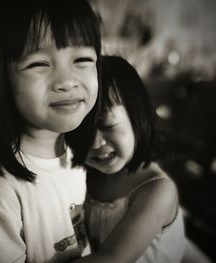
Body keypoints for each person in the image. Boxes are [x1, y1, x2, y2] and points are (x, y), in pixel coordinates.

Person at [0, 0, 102, 262]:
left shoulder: (84, 156)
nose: (67, 81)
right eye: (38, 64)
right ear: (1, 77)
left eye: (82, 59)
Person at [74, 56, 186, 263]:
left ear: (138, 117)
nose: (95, 143)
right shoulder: (83, 175)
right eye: (81, 131)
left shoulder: (157, 190)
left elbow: (113, 258)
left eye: (107, 125)